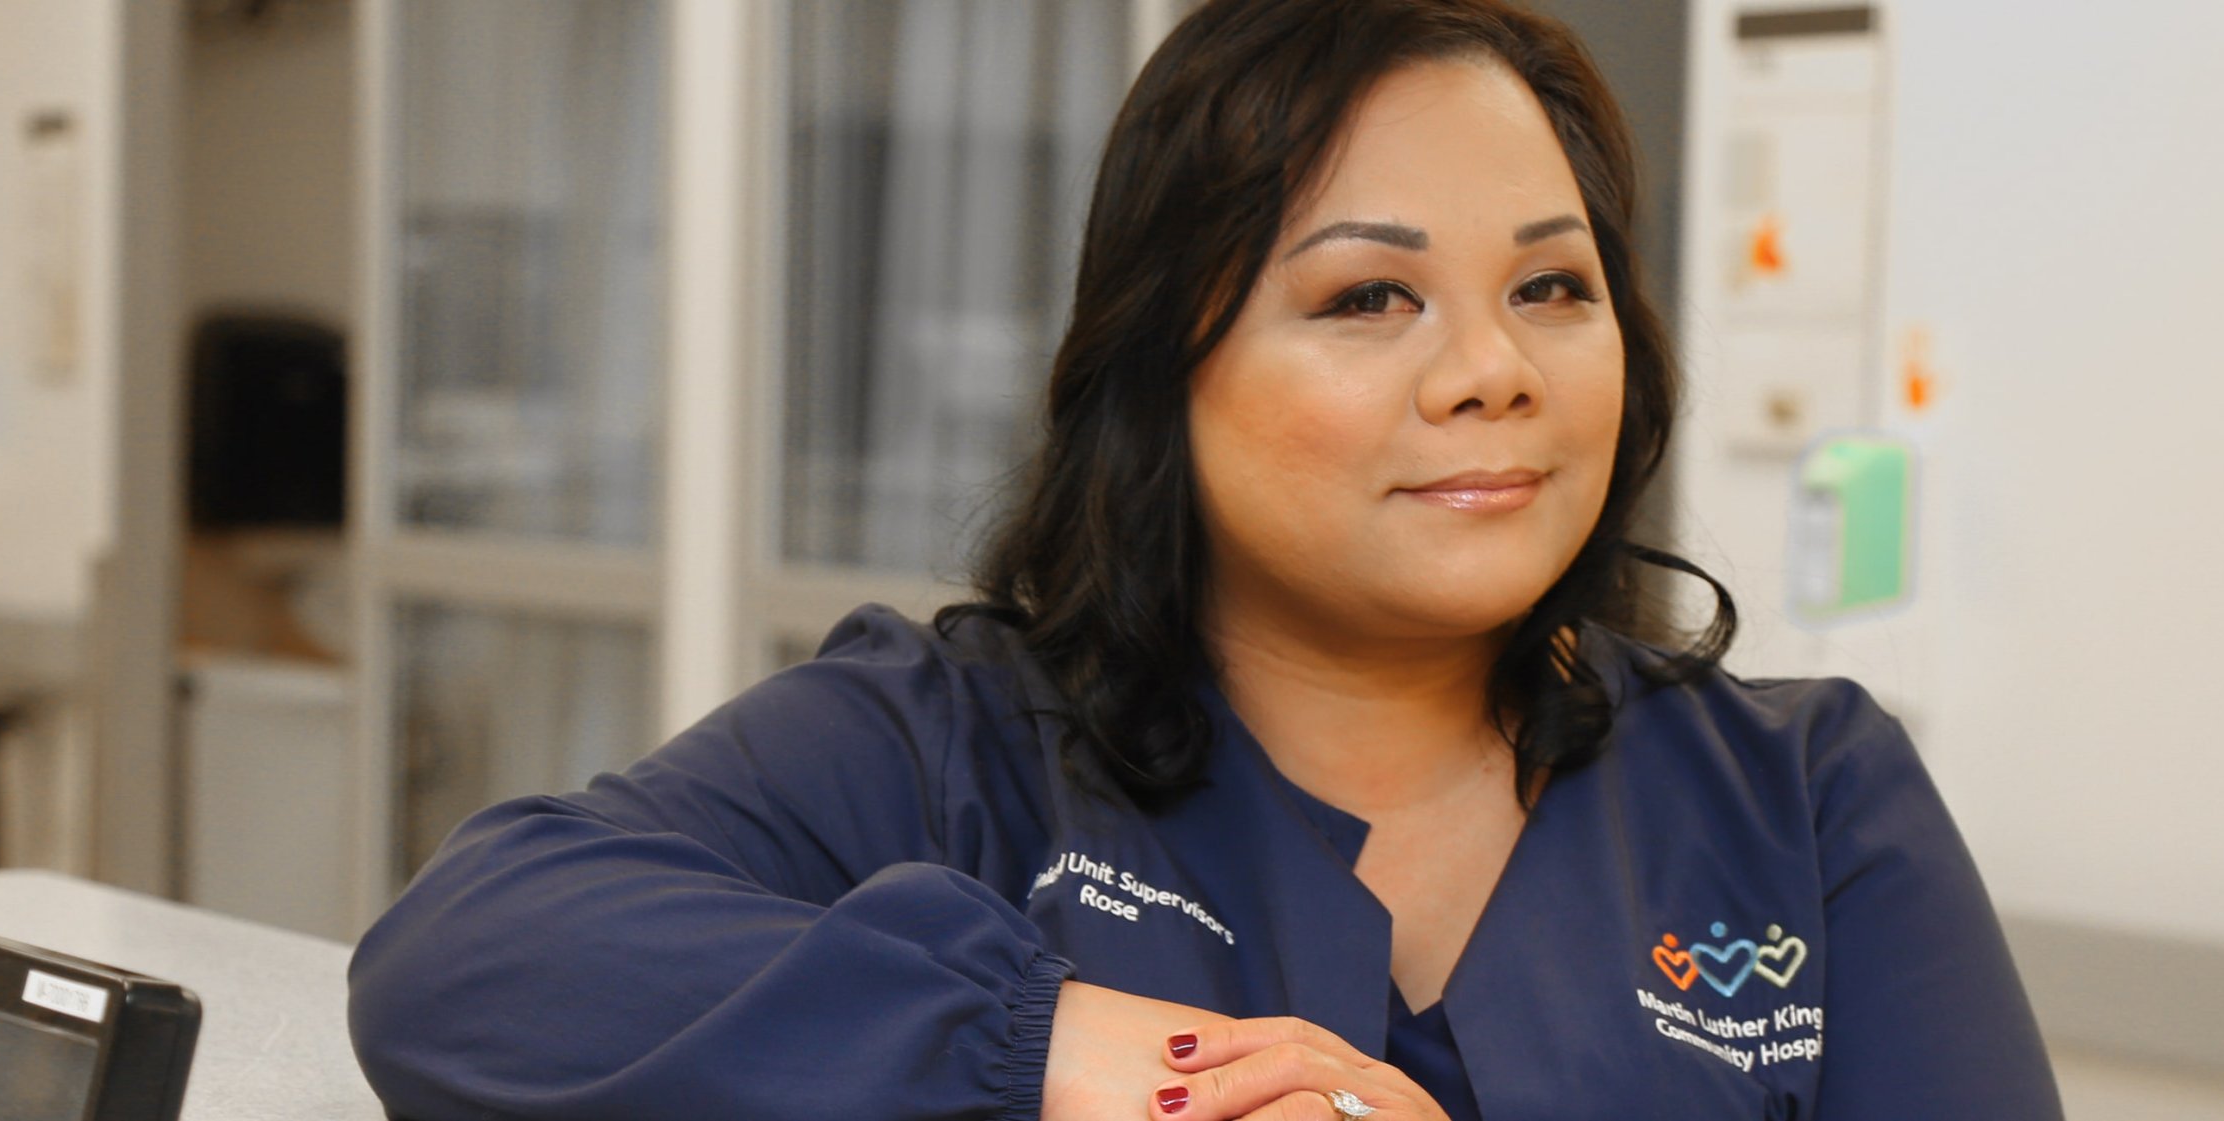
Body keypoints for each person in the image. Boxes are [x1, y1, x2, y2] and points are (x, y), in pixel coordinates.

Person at [348, 1, 2062, 1117]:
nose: (1495, 368)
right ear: (1167, 367)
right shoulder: (954, 745)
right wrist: (1066, 1051)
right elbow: (472, 957)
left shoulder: (1806, 796)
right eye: (1364, 297)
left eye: (1551, 285)